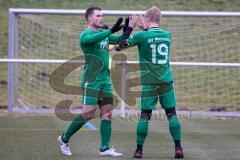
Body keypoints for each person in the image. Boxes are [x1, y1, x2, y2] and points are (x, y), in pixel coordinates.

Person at [57, 6, 126, 157]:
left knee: (107, 113)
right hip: (91, 81)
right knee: (88, 114)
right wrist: (110, 31)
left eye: (102, 15)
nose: (101, 18)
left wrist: (128, 29)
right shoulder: (85, 35)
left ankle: (105, 148)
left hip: (105, 80)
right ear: (90, 18)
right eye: (98, 16)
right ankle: (64, 139)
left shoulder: (104, 34)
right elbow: (94, 39)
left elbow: (120, 40)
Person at [118, 6, 184, 159]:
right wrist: (146, 28)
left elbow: (121, 45)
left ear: (147, 19)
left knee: (144, 116)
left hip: (149, 82)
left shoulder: (141, 36)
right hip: (166, 81)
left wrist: (130, 27)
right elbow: (153, 36)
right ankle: (178, 148)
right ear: (159, 19)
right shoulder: (168, 35)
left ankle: (139, 150)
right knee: (172, 114)